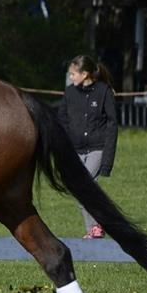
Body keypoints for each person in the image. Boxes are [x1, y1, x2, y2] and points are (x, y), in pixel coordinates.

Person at [57, 55, 118, 238]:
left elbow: (112, 124)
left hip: (97, 149)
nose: (71, 77)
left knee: (83, 186)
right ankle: (98, 226)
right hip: (75, 150)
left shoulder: (104, 91)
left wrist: (107, 160)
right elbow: (62, 119)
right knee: (81, 188)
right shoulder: (69, 93)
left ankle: (96, 228)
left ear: (84, 74)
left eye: (73, 74)